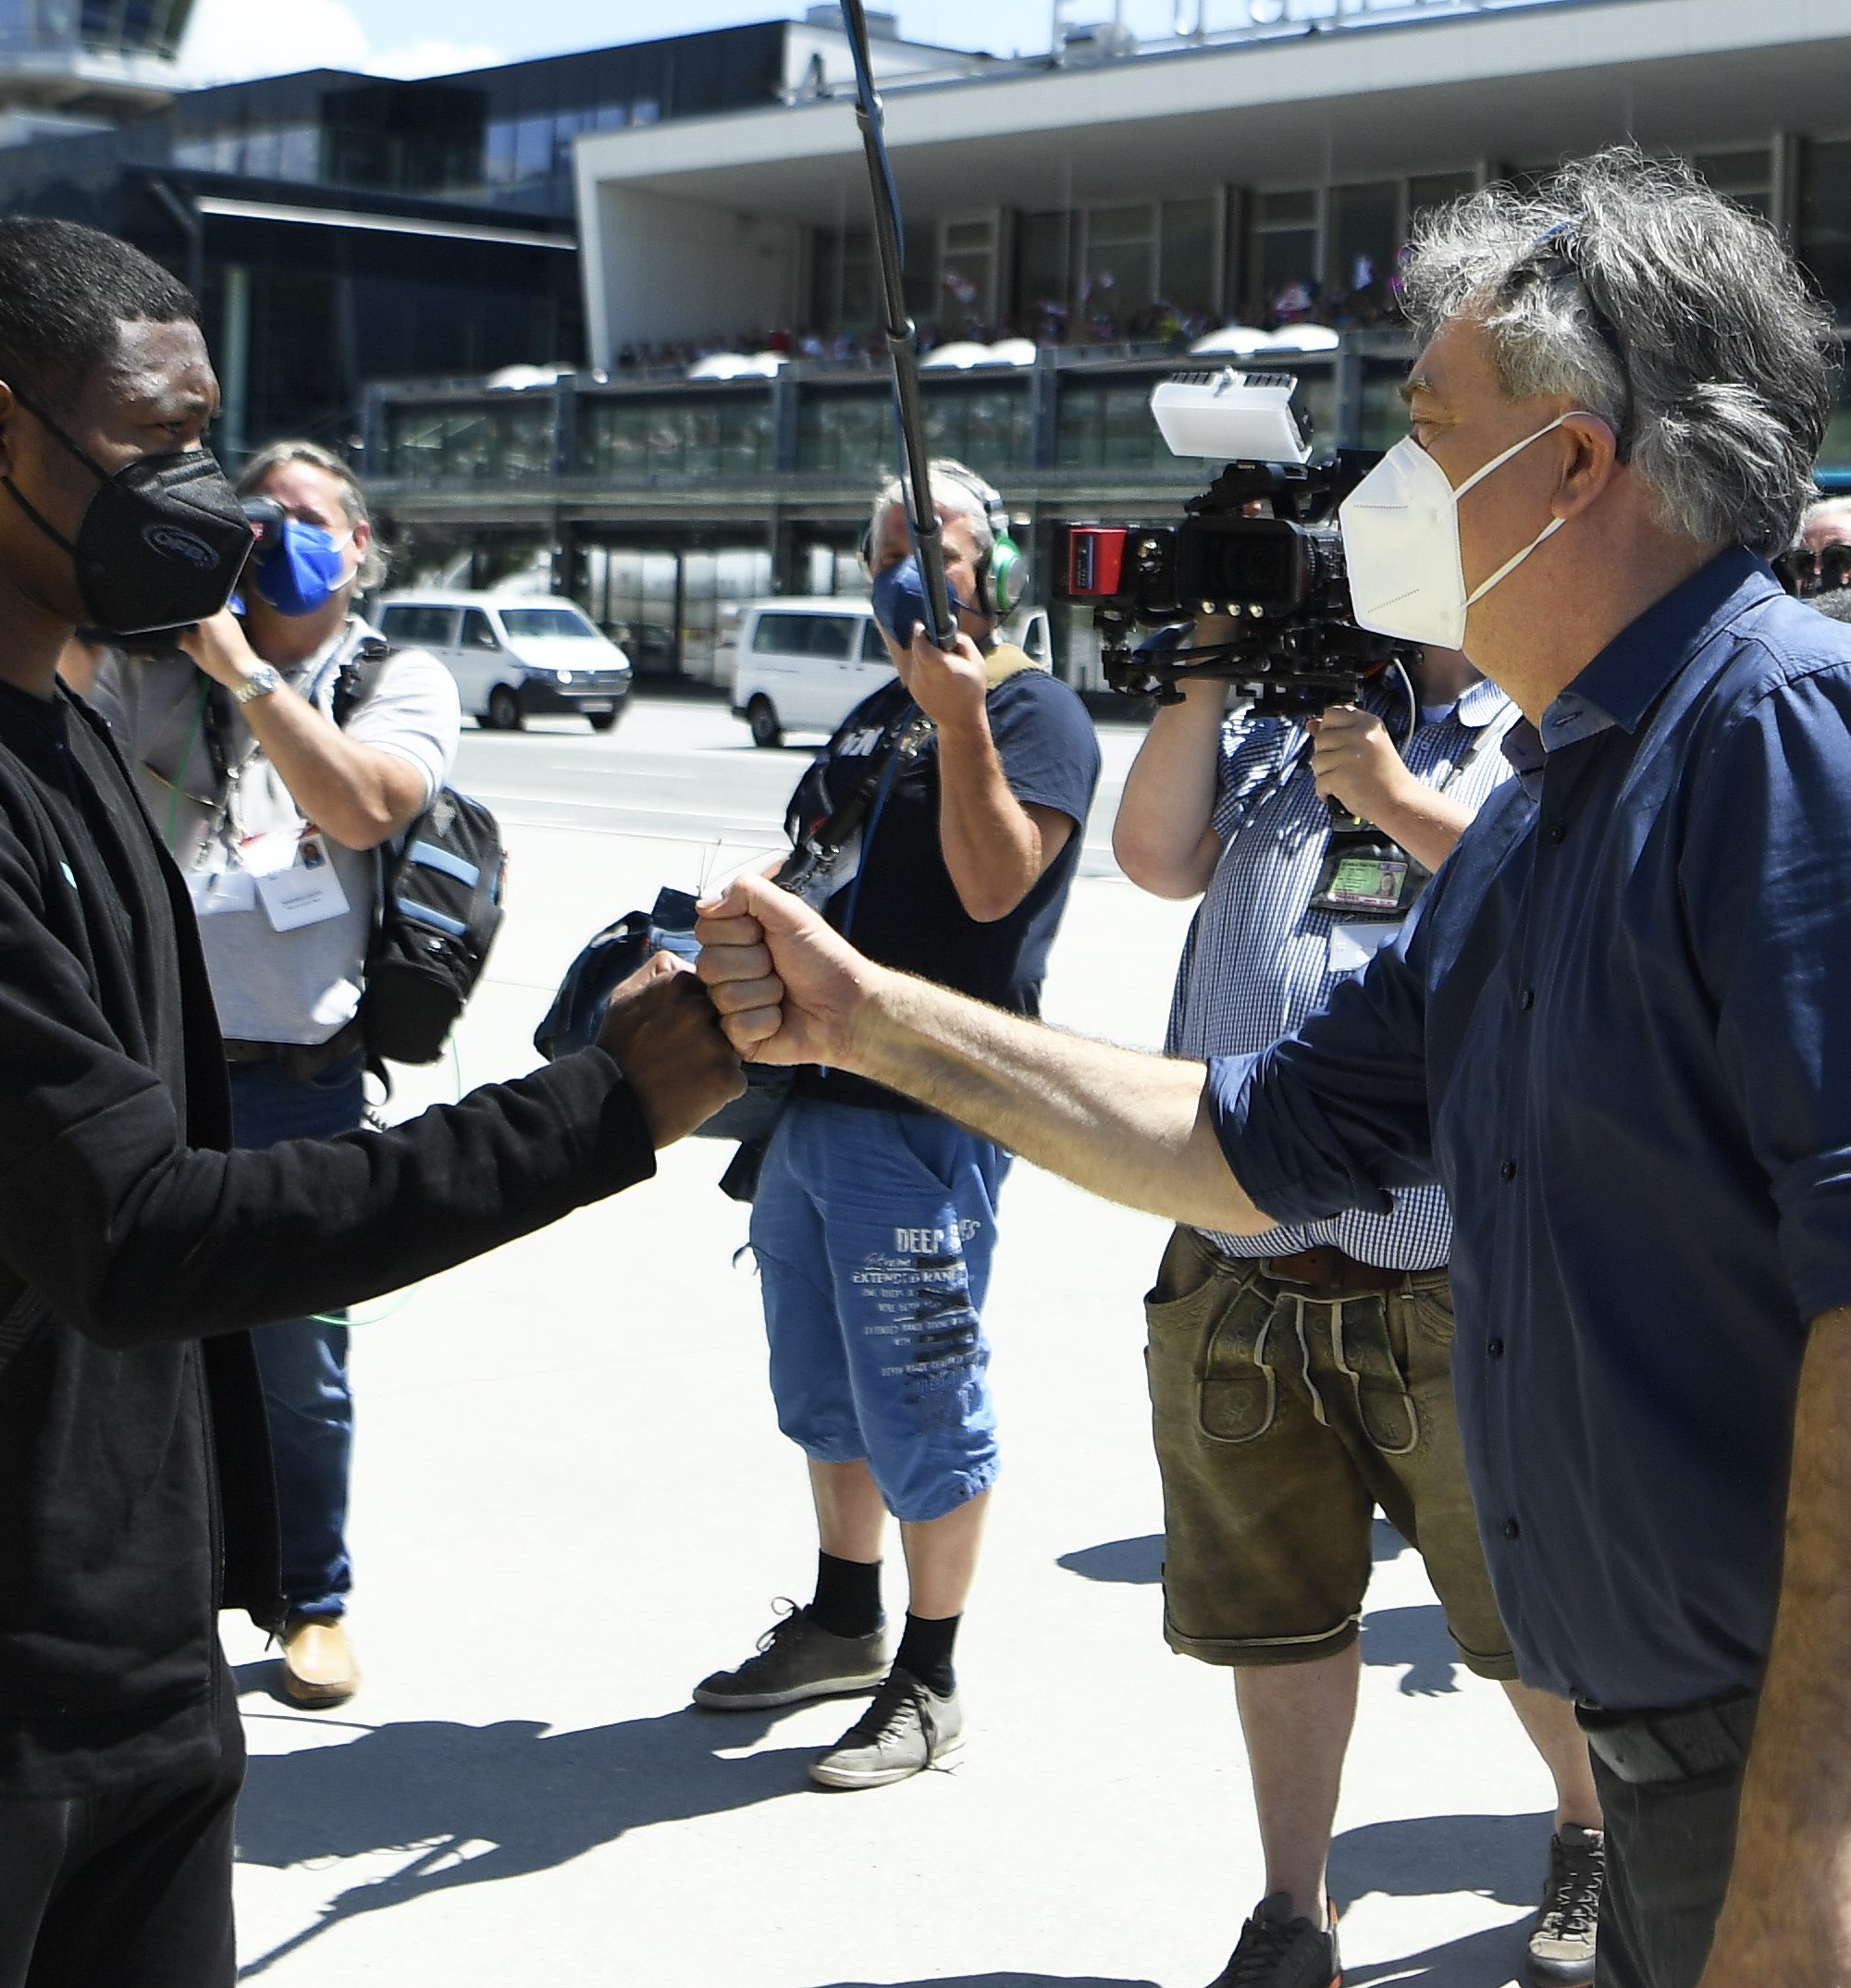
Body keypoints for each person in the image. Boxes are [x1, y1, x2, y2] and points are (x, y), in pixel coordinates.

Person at [696, 151, 1851, 1988]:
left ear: (1570, 466)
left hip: (1773, 1790)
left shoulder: (1771, 739)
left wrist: (1803, 1858)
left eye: (1427, 425)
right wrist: (868, 1019)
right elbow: (1253, 1137)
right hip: (1671, 1773)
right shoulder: (1566, 796)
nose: (1384, 490)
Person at [0, 216, 741, 1985]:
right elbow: (133, 1227)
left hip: (147, 1684)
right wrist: (594, 1111)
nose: (201, 496)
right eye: (154, 443)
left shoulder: (68, 718)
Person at [1113, 646, 1602, 1987]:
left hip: (1446, 1269)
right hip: (1238, 1256)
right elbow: (1155, 856)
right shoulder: (1293, 712)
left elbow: (1570, 897)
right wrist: (1201, 683)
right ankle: (1291, 1909)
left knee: (1517, 1609)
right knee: (1274, 1611)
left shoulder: (1548, 714)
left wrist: (1392, 798)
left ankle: (1587, 1826)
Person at [690, 461, 1100, 1789]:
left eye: (937, 545)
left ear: (1002, 570)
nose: (908, 569)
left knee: (923, 1392)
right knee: (822, 1390)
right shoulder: (874, 718)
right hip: (812, 1105)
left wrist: (963, 720)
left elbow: (994, 895)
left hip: (928, 1110)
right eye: (885, 547)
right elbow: (813, 871)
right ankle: (843, 1616)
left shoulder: (1031, 711)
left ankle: (930, 1670)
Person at [89, 439, 454, 1709]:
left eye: (310, 517)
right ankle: (160, 1596)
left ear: (358, 546)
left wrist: (247, 675)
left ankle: (314, 1598)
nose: (280, 532)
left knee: (297, 1367)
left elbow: (363, 808)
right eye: (259, 514)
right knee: (144, 1350)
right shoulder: (150, 666)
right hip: (153, 1067)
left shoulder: (392, 676)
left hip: (301, 1074)